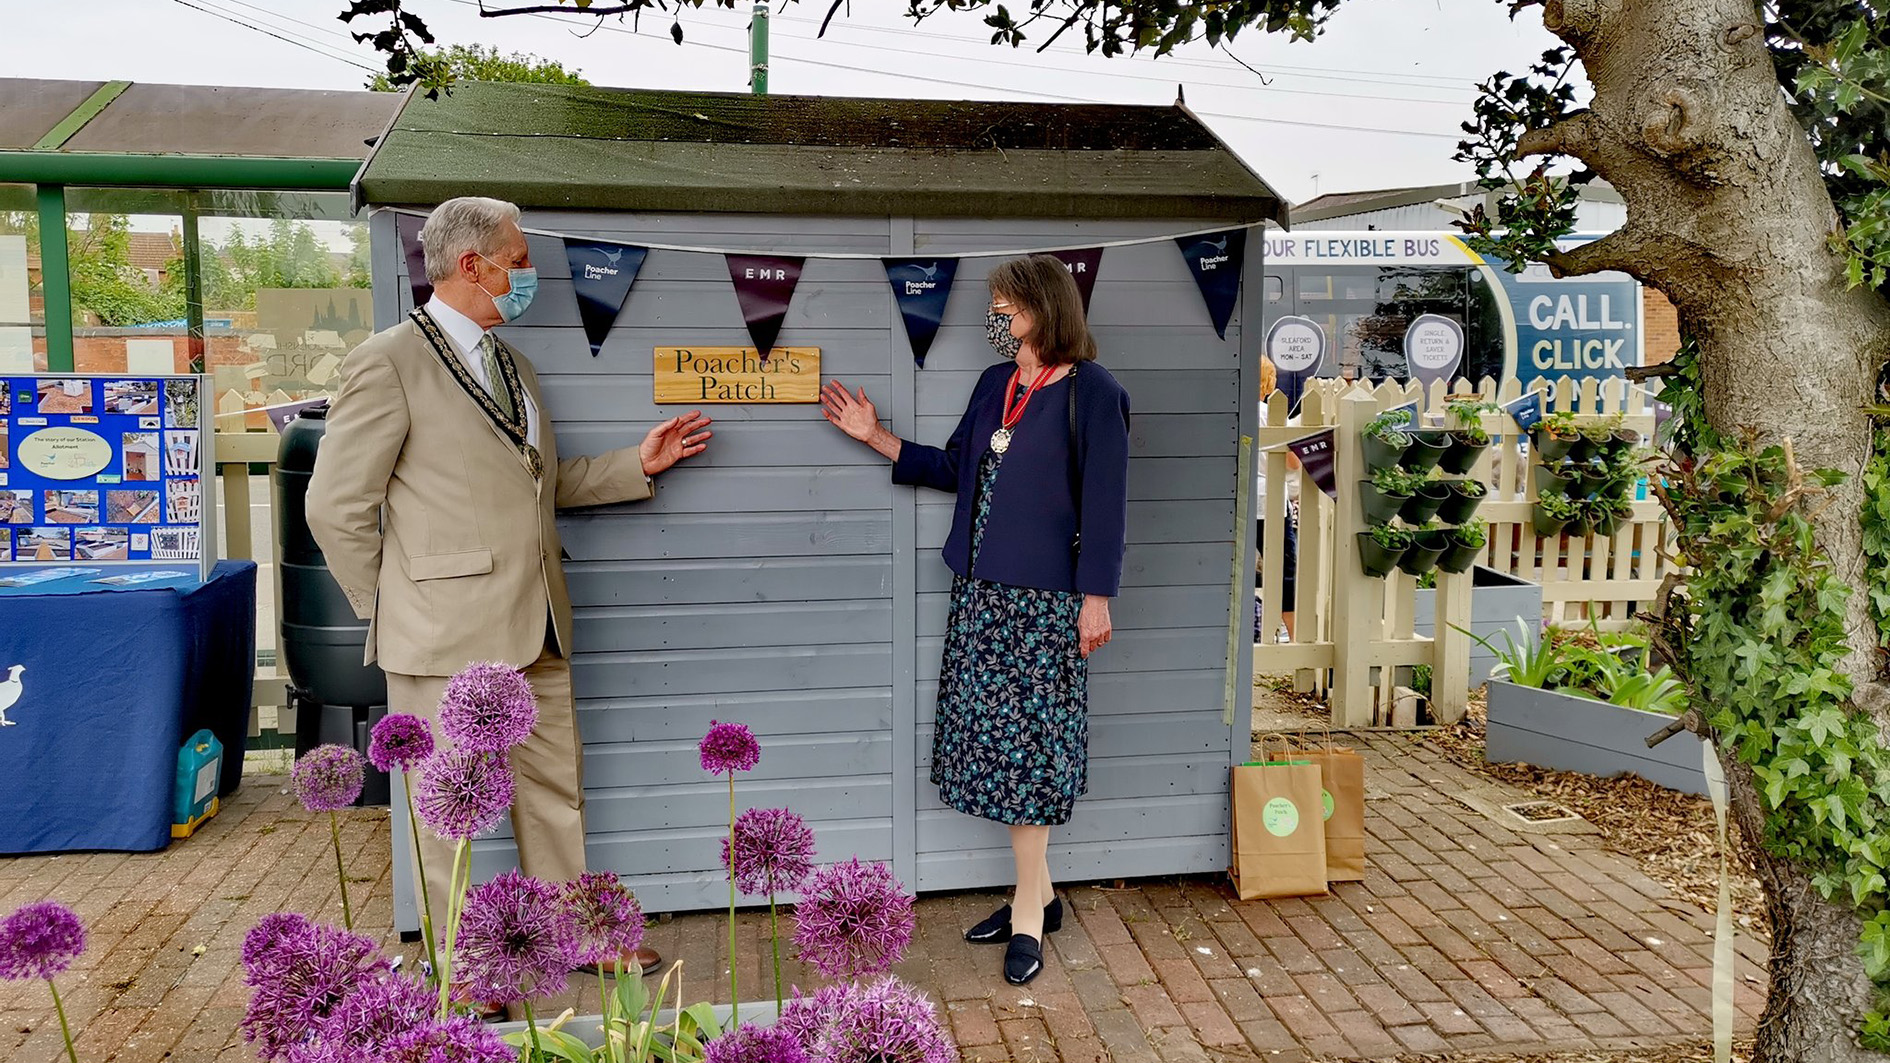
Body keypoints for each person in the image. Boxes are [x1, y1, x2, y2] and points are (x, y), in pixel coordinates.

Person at [306, 196, 711, 990]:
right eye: (519, 260)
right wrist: (393, 608)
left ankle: (574, 934)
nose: (528, 274)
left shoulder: (511, 364)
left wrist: (636, 465)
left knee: (556, 790)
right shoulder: (389, 361)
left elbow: (535, 486)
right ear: (473, 265)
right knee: (444, 812)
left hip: (540, 627)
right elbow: (334, 506)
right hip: (440, 637)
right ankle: (460, 968)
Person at [819, 254, 1130, 987]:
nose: (995, 321)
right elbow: (962, 466)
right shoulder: (999, 384)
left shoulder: (1095, 392)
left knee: (1029, 753)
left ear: (1043, 309)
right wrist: (875, 437)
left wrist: (1097, 595)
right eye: (994, 308)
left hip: (1046, 602)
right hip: (982, 598)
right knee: (993, 749)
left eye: (1006, 309)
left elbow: (1107, 507)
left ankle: (1028, 914)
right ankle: (1042, 893)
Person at [1255, 357, 1299, 642]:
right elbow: (1294, 463)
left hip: (1246, 500)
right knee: (1284, 571)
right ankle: (1293, 635)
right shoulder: (1270, 414)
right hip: (1271, 500)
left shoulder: (1237, 413)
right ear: (1269, 383)